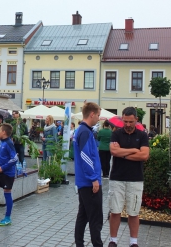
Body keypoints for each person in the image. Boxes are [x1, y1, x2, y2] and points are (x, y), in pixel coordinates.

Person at [108, 107, 149, 247]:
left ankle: (133, 242)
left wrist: (122, 153)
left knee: (134, 212)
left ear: (136, 120)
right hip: (116, 178)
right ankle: (113, 240)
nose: (128, 124)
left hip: (136, 179)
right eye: (125, 121)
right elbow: (113, 151)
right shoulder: (116, 134)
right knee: (115, 210)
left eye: (130, 121)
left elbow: (144, 155)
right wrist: (132, 151)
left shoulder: (142, 135)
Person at [73, 102, 103, 247]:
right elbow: (85, 156)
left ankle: (79, 243)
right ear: (92, 114)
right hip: (89, 182)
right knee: (95, 217)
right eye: (98, 115)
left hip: (83, 181)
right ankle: (97, 244)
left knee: (83, 215)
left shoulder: (82, 130)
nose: (99, 118)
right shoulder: (85, 132)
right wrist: (94, 179)